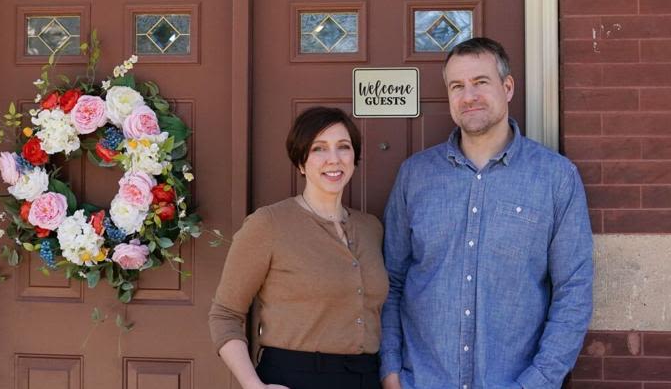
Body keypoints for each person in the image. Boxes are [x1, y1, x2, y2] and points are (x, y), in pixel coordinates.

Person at [380, 37, 593, 389]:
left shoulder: (555, 177)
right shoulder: (415, 176)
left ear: (507, 87)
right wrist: (390, 371)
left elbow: (574, 289)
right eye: (457, 86)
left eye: (481, 82)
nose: (469, 96)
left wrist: (538, 382)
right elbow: (391, 280)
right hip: (421, 381)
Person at [209, 106, 388, 389]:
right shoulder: (268, 224)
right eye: (319, 149)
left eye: (343, 147)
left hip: (366, 377)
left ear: (354, 158)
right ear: (301, 162)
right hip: (295, 377)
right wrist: (253, 386)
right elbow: (225, 314)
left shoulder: (371, 228)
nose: (333, 159)